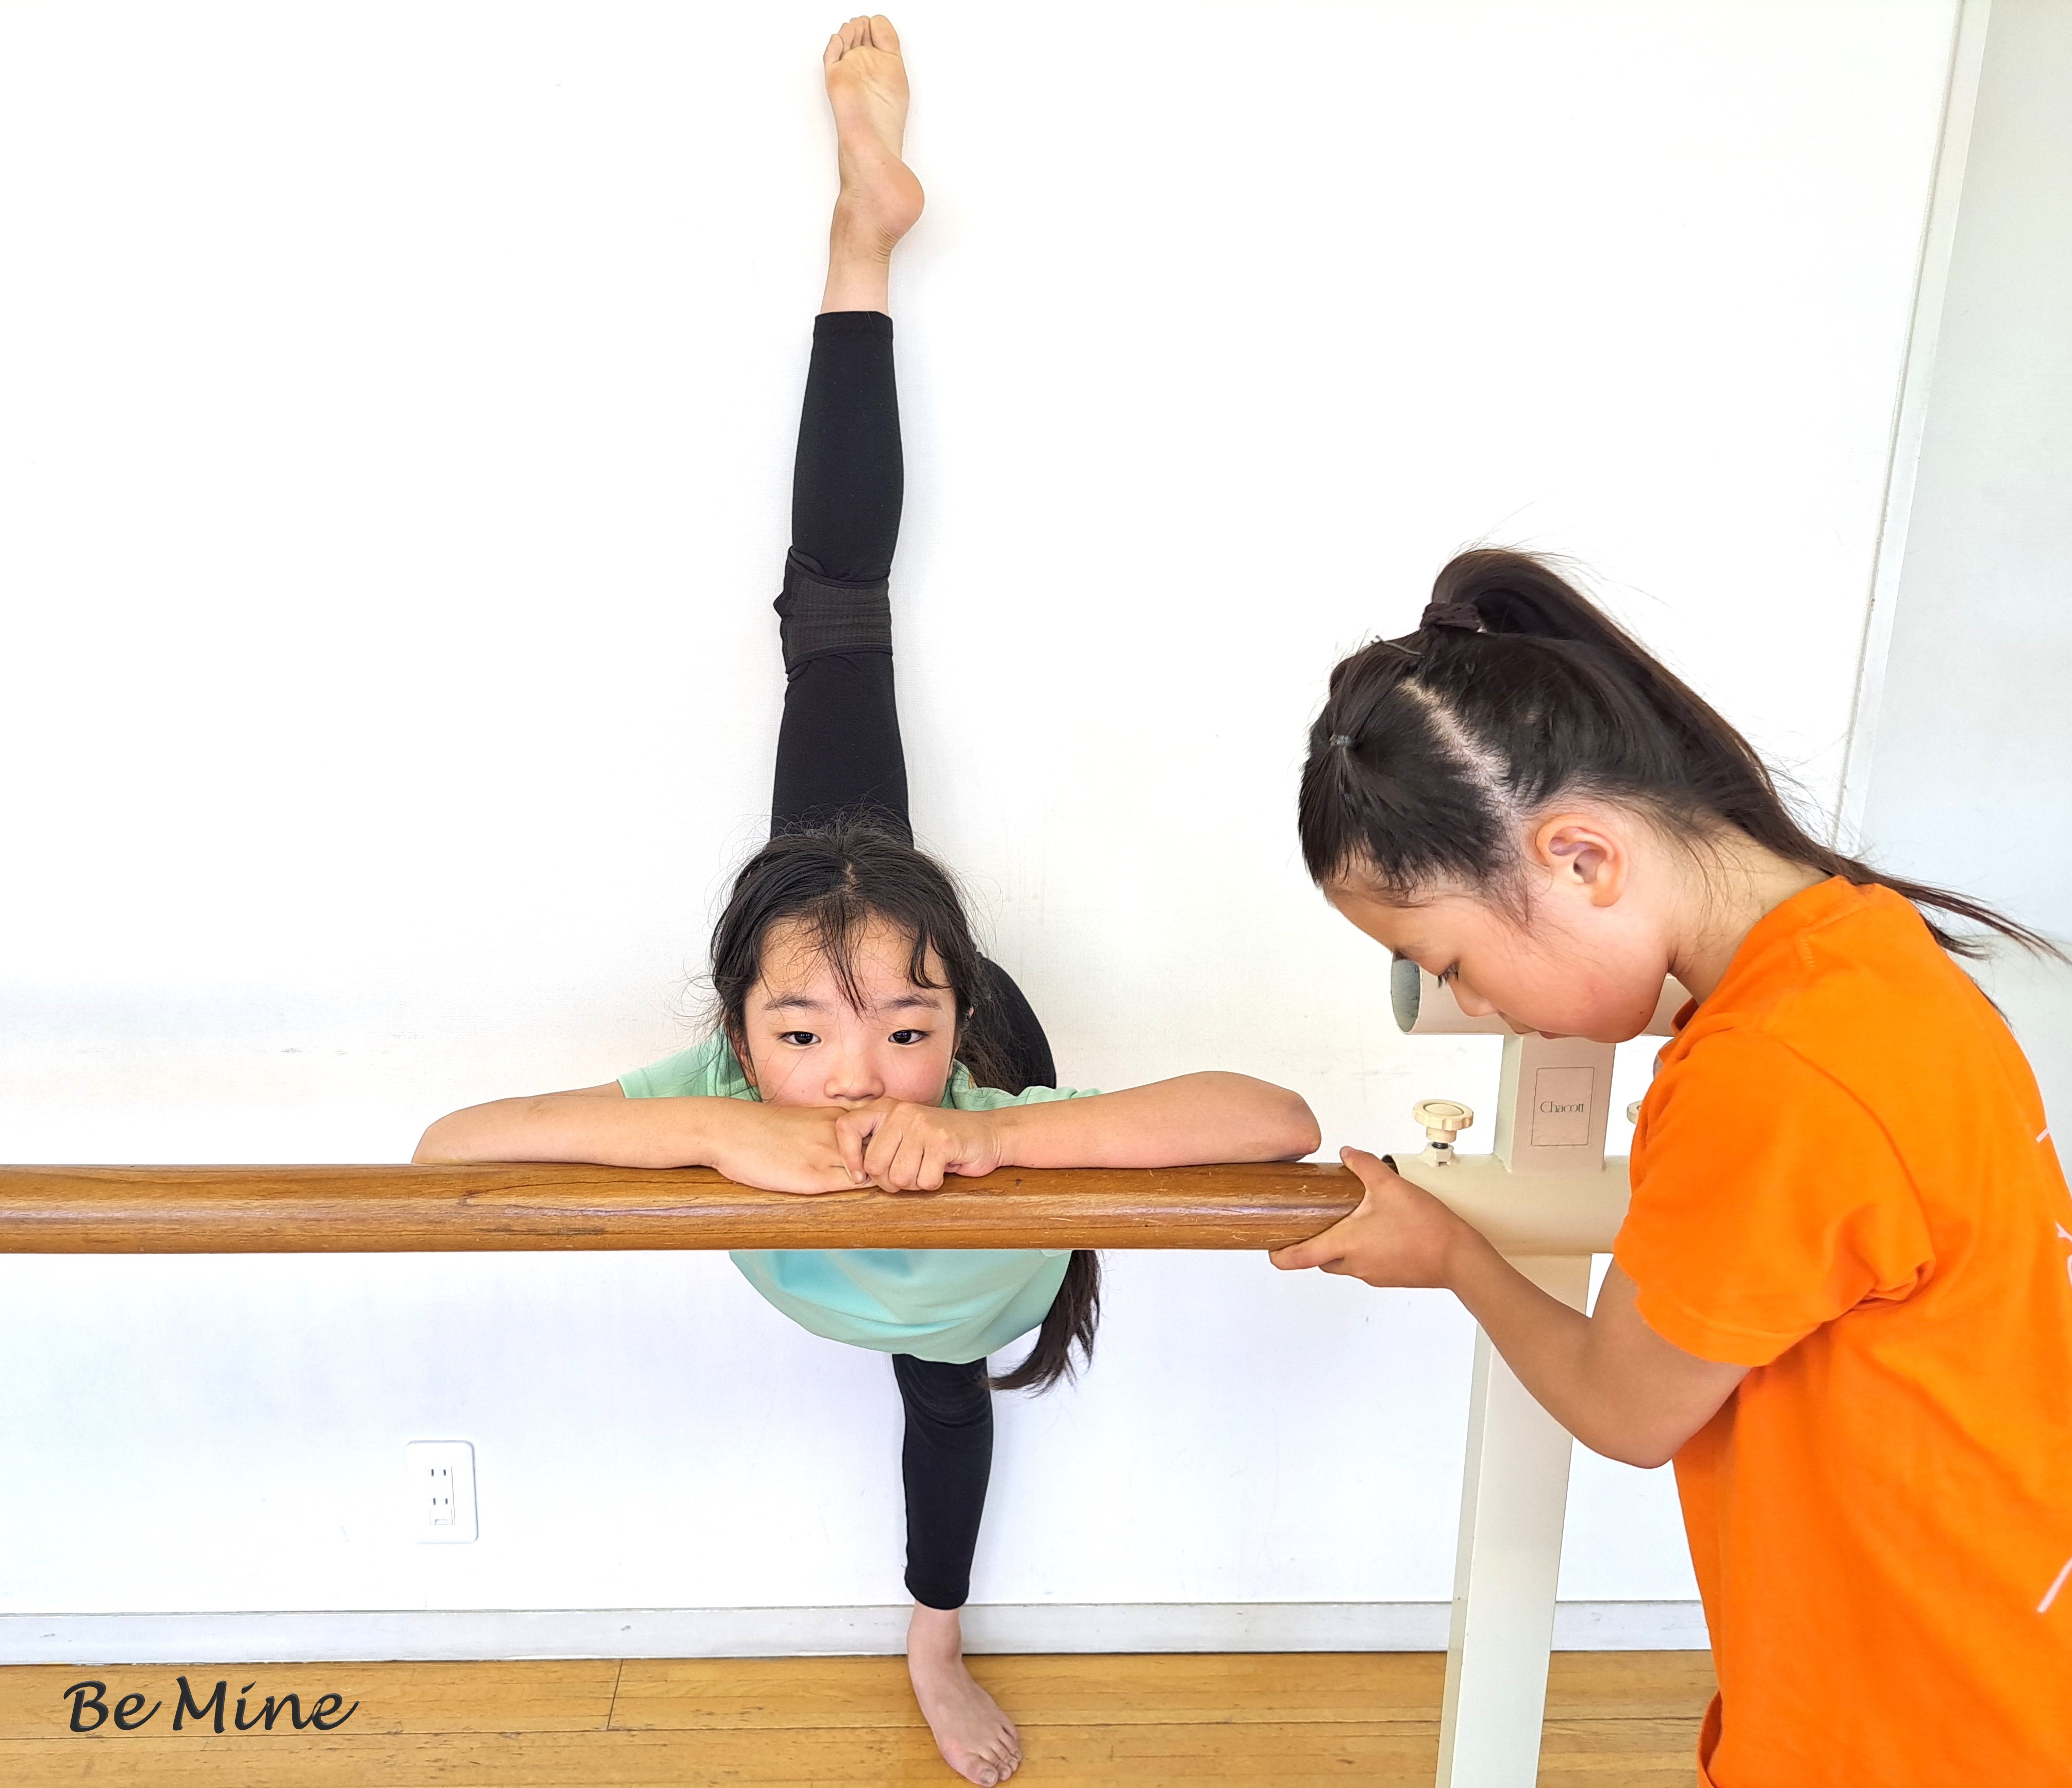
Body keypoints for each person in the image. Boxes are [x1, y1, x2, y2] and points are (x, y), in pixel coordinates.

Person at [414, 20, 1319, 1786]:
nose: (855, 1073)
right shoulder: (738, 1071)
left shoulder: (965, 1087)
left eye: (901, 1028)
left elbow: (1275, 1122)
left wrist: (983, 1137)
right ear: (736, 1029)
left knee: (941, 1388)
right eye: (805, 1035)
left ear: (952, 1022)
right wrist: (722, 1135)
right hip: (827, 966)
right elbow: (450, 1149)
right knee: (833, 642)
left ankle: (933, 1641)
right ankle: (860, 241)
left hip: (976, 1204)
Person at [1272, 549, 2072, 1786]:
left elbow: (1627, 1409)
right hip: (1997, 1640)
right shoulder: (1870, 960)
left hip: (1923, 1718)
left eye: (1449, 964)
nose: (1466, 1002)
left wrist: (1449, 1254)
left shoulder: (1775, 1075)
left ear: (1582, 859)